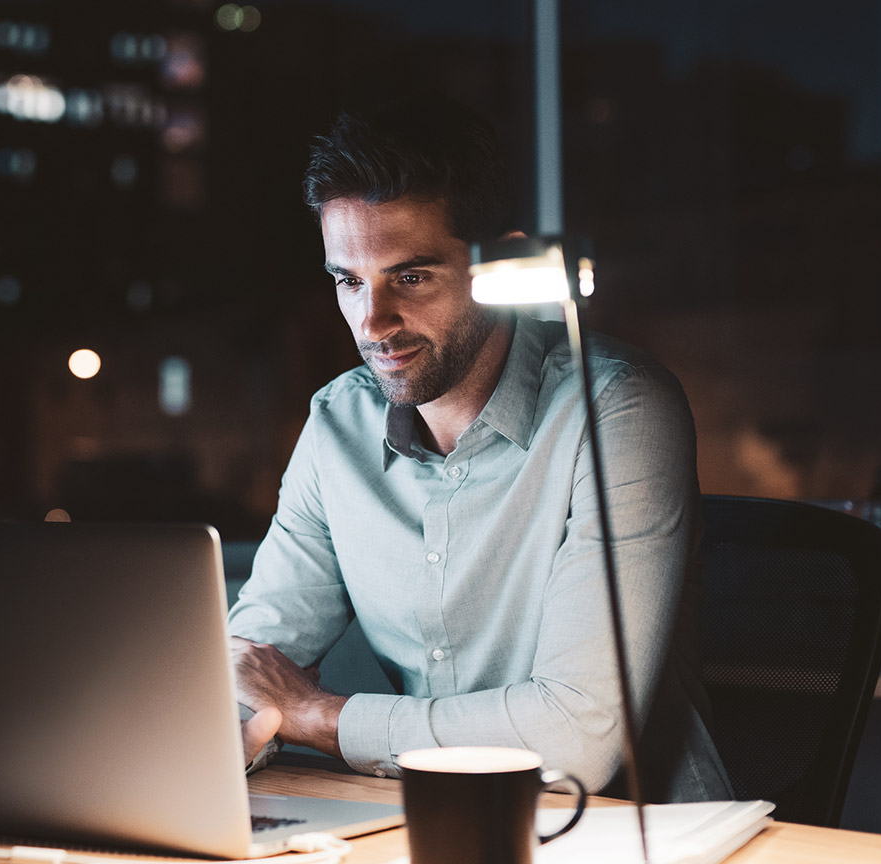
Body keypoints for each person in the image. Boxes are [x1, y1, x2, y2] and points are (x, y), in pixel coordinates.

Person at [227, 97, 732, 803]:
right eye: (348, 280)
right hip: (421, 820)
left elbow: (574, 740)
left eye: (410, 276)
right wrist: (234, 726)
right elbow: (246, 668)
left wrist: (321, 715)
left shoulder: (616, 408)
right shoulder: (337, 423)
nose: (372, 322)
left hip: (627, 830)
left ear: (500, 264)